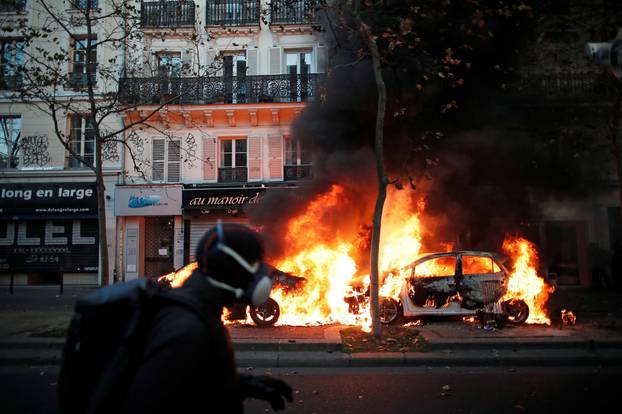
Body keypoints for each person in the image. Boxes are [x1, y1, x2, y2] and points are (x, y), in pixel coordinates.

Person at [120, 222, 293, 413]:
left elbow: (192, 378)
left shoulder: (202, 312)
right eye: (254, 266)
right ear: (231, 269)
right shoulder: (187, 327)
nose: (260, 276)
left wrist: (241, 384)